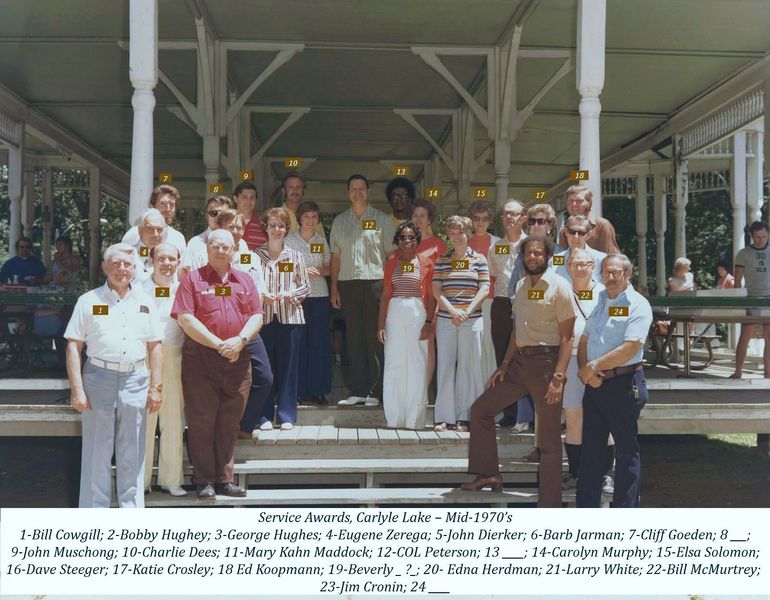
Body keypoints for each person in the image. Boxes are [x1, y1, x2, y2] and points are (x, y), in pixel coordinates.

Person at [462, 235, 574, 507]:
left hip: (547, 366)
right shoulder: (522, 286)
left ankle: (549, 504)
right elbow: (516, 329)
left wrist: (559, 377)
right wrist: (504, 365)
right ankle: (489, 474)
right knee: (481, 410)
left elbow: (568, 338)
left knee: (547, 439)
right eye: (528, 254)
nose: (533, 257)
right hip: (519, 365)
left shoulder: (560, 287)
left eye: (538, 253)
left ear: (547, 257)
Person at [64, 243, 163, 508]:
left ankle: (131, 512)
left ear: (134, 269)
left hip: (136, 379)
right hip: (98, 379)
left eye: (127, 264)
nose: (122, 269)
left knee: (133, 450)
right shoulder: (88, 301)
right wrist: (77, 389)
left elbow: (155, 346)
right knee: (98, 450)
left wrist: (156, 387)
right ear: (104, 267)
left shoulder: (145, 302)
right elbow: (74, 345)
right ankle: (96, 511)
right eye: (116, 263)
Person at [171, 229, 263, 498]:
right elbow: (185, 319)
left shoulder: (245, 280)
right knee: (201, 420)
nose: (220, 250)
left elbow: (257, 315)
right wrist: (219, 344)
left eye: (225, 247)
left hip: (237, 358)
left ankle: (224, 480)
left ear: (234, 250)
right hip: (201, 359)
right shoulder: (192, 280)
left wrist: (240, 341)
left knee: (229, 421)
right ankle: (203, 481)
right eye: (215, 246)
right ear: (207, 249)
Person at [576, 254, 652, 507]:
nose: (610, 277)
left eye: (616, 272)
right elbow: (586, 338)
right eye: (606, 272)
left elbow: (630, 347)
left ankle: (624, 513)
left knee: (626, 452)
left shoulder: (638, 305)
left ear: (628, 274)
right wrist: (587, 373)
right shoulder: (601, 299)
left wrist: (593, 368)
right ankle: (586, 509)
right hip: (596, 385)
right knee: (591, 453)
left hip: (623, 385)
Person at [330, 174, 396, 406]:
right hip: (348, 284)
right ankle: (357, 390)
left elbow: (391, 256)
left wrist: (390, 287)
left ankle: (375, 392)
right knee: (354, 338)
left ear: (368, 191)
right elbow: (335, 258)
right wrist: (334, 288)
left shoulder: (381, 220)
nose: (357, 193)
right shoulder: (339, 221)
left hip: (375, 284)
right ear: (348, 193)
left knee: (374, 337)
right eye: (353, 189)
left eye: (361, 189)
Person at [213, 209, 274, 440]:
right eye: (231, 226)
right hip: (217, 330)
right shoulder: (208, 254)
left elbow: (259, 293)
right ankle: (221, 427)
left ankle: (245, 425)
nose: (236, 231)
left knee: (264, 377)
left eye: (239, 227)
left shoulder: (251, 257)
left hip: (246, 328)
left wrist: (250, 322)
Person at [505, 203, 562, 436]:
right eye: (534, 221)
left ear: (550, 225)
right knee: (524, 371)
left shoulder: (560, 254)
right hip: (526, 322)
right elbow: (512, 288)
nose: (537, 225)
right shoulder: (523, 251)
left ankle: (548, 425)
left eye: (543, 221)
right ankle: (523, 417)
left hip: (552, 323)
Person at [431, 215, 489, 432]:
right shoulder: (442, 260)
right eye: (452, 233)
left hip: (472, 320)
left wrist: (466, 312)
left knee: (469, 367)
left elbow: (484, 289)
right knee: (445, 366)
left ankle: (466, 416)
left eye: (460, 232)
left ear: (468, 233)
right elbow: (436, 290)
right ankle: (444, 417)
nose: (456, 237)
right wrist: (454, 311)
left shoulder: (480, 259)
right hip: (447, 319)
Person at [256, 207, 311, 431]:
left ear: (286, 229)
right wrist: (262, 296)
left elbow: (305, 286)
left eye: (281, 225)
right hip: (264, 319)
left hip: (291, 318)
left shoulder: (296, 256)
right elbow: (249, 285)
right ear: (265, 228)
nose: (276, 230)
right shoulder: (255, 256)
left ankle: (287, 415)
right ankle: (264, 416)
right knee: (266, 371)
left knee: (288, 369)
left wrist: (292, 294)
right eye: (272, 225)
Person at [378, 222, 436, 429]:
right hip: (394, 314)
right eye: (403, 237)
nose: (407, 241)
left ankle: (414, 419)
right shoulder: (391, 263)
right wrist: (381, 325)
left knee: (417, 365)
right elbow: (385, 295)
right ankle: (394, 418)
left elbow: (431, 296)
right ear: (397, 240)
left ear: (417, 240)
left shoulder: (427, 263)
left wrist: (428, 323)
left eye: (411, 237)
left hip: (417, 314)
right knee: (394, 364)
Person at [555, 248, 603, 489]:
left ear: (593, 266)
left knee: (605, 419)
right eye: (575, 264)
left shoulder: (606, 292)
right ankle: (575, 473)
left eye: (585, 264)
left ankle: (604, 475)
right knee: (573, 418)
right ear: (568, 267)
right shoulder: (561, 291)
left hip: (600, 363)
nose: (580, 268)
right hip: (571, 361)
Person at [141, 242, 186, 496]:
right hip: (145, 357)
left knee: (172, 420)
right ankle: (142, 480)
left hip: (174, 355)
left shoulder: (183, 290)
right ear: (151, 261)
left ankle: (171, 480)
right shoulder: (138, 289)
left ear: (178, 262)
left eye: (172, 259)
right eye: (162, 259)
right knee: (145, 421)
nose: (167, 264)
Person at [285, 200, 333, 404]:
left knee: (318, 343)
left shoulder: (321, 241)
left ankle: (318, 390)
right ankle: (296, 390)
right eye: (306, 216)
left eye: (314, 216)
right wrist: (301, 271)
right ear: (299, 218)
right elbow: (283, 268)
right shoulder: (289, 240)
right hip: (297, 297)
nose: (310, 220)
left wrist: (319, 271)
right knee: (297, 343)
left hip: (319, 295)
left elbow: (329, 268)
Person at [729, 221, 770, 458]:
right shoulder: (743, 253)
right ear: (752, 236)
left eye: (764, 237)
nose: (760, 240)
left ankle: (767, 372)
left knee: (768, 338)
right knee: (744, 336)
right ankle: (737, 370)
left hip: (769, 297)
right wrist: (739, 300)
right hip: (751, 298)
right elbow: (737, 279)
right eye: (757, 237)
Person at [468, 200, 500, 384]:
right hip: (467, 302)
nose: (480, 222)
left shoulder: (496, 244)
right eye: (476, 218)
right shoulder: (464, 241)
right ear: (471, 220)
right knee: (473, 348)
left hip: (489, 300)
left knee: (488, 346)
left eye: (485, 219)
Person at [179, 195, 248, 277]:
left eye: (223, 213)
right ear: (206, 215)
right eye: (213, 213)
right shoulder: (195, 243)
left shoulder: (241, 243)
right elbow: (185, 275)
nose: (218, 217)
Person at [122, 185, 186, 257]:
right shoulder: (134, 233)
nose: (168, 209)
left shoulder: (178, 238)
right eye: (163, 204)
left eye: (172, 205)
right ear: (152, 206)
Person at [558, 185, 620, 254]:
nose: (574, 204)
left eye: (579, 201)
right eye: (570, 201)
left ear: (589, 202)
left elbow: (612, 256)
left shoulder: (602, 226)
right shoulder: (564, 230)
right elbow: (561, 258)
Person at [552, 215, 606, 284]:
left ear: (588, 234)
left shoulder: (601, 259)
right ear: (566, 232)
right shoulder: (557, 259)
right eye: (572, 232)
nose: (576, 237)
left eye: (581, 233)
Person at [281, 171, 325, 235]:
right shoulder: (276, 216)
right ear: (284, 191)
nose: (295, 190)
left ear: (303, 190)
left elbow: (320, 242)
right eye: (291, 187)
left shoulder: (313, 216)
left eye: (298, 187)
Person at [130, 208, 167, 283]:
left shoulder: (169, 256)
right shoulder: (129, 254)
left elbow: (168, 289)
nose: (155, 234)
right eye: (150, 229)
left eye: (159, 229)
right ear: (140, 231)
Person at [232, 181, 268, 251]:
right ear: (235, 199)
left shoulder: (264, 225)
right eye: (244, 197)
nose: (249, 201)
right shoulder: (225, 223)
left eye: (252, 198)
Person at [411, 198, 446, 264]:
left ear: (429, 221)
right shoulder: (404, 243)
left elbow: (443, 270)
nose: (418, 219)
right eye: (415, 215)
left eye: (422, 216)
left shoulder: (438, 244)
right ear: (411, 219)